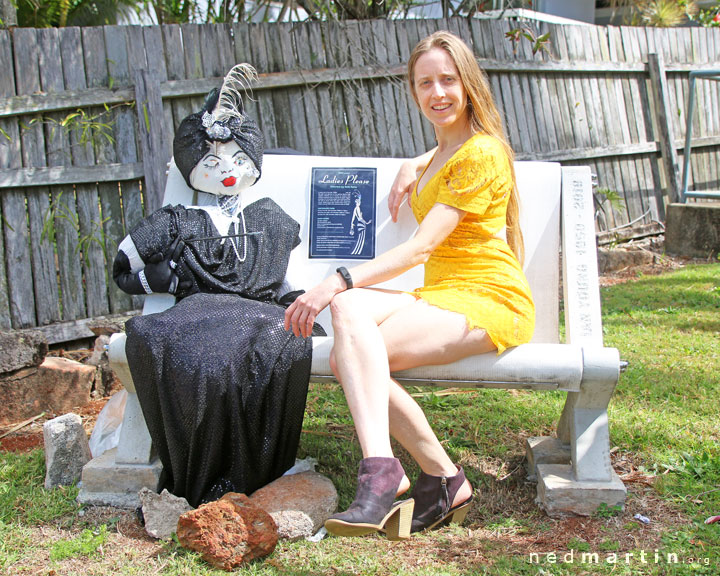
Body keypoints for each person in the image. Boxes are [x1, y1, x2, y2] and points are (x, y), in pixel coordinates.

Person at [284, 31, 535, 540]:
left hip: (488, 298)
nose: (437, 92)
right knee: (351, 318)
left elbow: (420, 249)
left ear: (468, 84)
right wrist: (415, 163)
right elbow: (448, 154)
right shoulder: (444, 151)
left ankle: (392, 474)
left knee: (346, 346)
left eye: (448, 79)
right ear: (413, 91)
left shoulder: (482, 154)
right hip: (443, 295)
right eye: (426, 83)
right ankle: (428, 475)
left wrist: (334, 278)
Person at [113, 64, 318, 507]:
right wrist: (155, 280)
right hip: (195, 310)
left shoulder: (268, 218)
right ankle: (205, 470)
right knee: (198, 359)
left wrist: (302, 305)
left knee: (272, 346)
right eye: (212, 162)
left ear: (252, 165)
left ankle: (257, 468)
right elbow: (122, 266)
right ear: (192, 169)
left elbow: (285, 280)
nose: (227, 171)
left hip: (259, 312)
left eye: (237, 161)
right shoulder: (178, 221)